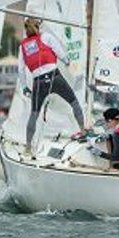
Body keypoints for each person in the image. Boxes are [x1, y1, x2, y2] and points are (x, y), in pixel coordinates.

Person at [19, 18, 85, 152]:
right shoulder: (46, 37)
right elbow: (59, 52)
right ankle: (83, 131)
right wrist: (66, 61)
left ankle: (27, 146)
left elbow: (21, 70)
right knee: (73, 102)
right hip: (55, 77)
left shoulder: (23, 46)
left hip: (38, 82)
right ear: (38, 27)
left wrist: (25, 87)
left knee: (34, 114)